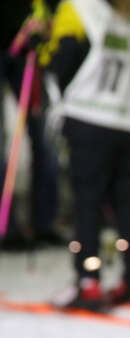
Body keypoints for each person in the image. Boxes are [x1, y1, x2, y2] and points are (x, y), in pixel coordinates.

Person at [43, 0, 130, 309]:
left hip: (87, 116)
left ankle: (87, 282)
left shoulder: (78, 7)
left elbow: (59, 63)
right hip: (121, 119)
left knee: (87, 203)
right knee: (124, 204)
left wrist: (41, 49)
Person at [0, 0, 63, 252]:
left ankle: (44, 222)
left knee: (43, 138)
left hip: (27, 46)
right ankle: (7, 227)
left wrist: (45, 24)